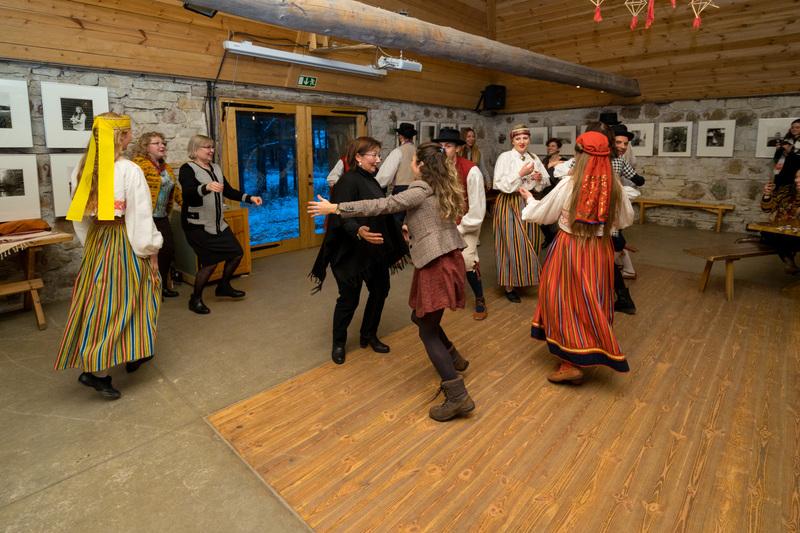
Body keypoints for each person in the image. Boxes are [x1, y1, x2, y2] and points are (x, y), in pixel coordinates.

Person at [308, 142, 474, 422]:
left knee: (427, 331)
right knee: (420, 317)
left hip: (436, 263)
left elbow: (382, 206)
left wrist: (336, 208)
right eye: (373, 154)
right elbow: (432, 217)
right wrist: (413, 227)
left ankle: (457, 396)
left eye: (413, 160)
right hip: (448, 258)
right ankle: (454, 358)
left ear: (421, 166)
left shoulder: (419, 189)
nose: (410, 164)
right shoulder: (441, 185)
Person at [54, 112, 163, 400]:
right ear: (121, 137)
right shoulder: (129, 170)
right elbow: (140, 217)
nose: (131, 136)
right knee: (129, 299)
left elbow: (79, 219)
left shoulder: (81, 169)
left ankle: (134, 351)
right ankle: (97, 371)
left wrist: (91, 245)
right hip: (123, 239)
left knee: (99, 301)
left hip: (97, 241)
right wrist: (150, 250)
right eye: (129, 132)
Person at [519, 131, 634, 384]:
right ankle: (587, 351)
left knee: (562, 299)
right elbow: (625, 219)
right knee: (593, 299)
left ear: (581, 155)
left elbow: (543, 215)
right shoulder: (615, 187)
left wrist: (529, 201)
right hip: (599, 251)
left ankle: (570, 362)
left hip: (569, 249)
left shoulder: (570, 184)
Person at [310, 136, 408, 364]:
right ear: (358, 157)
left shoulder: (371, 181)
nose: (379, 160)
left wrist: (396, 230)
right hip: (350, 254)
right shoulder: (347, 182)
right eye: (374, 155)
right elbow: (341, 215)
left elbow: (380, 210)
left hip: (373, 251)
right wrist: (358, 231)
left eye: (379, 155)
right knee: (349, 299)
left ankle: (369, 334)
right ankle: (338, 343)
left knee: (380, 290)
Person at [179, 134, 262, 314]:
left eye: (212, 147)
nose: (211, 150)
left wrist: (249, 198)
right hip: (197, 226)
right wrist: (206, 187)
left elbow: (229, 191)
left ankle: (223, 286)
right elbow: (188, 193)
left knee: (236, 254)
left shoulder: (215, 168)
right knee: (210, 263)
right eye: (206, 147)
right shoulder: (187, 169)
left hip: (218, 224)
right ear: (195, 150)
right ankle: (195, 299)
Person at [492, 124, 549, 302]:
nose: (522, 141)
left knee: (531, 240)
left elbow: (542, 183)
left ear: (529, 139)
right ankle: (509, 285)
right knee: (511, 242)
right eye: (518, 139)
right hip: (508, 202)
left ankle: (524, 278)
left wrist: (539, 179)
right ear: (512, 141)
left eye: (525, 138)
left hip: (528, 201)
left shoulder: (533, 157)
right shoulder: (505, 157)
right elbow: (499, 184)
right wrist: (520, 173)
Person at [435, 127, 487, 320]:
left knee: (467, 260)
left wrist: (461, 228)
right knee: (443, 259)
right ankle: (449, 294)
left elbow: (477, 208)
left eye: (448, 146)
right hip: (445, 222)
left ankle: (480, 298)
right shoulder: (437, 169)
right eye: (440, 146)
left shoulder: (471, 170)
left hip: (467, 223)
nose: (443, 149)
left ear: (458, 148)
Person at [131, 132, 182, 298]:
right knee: (146, 254)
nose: (162, 146)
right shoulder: (139, 166)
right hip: (145, 218)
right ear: (145, 147)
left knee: (167, 251)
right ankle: (147, 291)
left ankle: (162, 287)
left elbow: (175, 190)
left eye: (163, 143)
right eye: (156, 143)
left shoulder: (165, 167)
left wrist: (186, 205)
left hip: (161, 216)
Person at [761, 169, 800, 273]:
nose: (796, 180)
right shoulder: (785, 191)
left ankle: (789, 261)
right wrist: (767, 194)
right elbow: (767, 209)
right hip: (781, 232)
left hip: (797, 235)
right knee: (766, 232)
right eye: (796, 177)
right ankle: (789, 261)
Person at [538, 137, 569, 249]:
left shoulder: (565, 161)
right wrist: (549, 166)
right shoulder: (545, 161)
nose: (549, 148)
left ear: (558, 148)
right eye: (548, 146)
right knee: (542, 219)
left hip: (559, 193)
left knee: (558, 220)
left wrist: (555, 165)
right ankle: (550, 238)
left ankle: (557, 243)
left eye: (553, 146)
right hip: (545, 193)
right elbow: (541, 175)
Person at [376, 122, 417, 197]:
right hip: (417, 191)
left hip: (402, 191)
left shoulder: (398, 151)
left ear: (400, 136)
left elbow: (385, 176)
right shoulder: (419, 151)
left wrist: (375, 185)